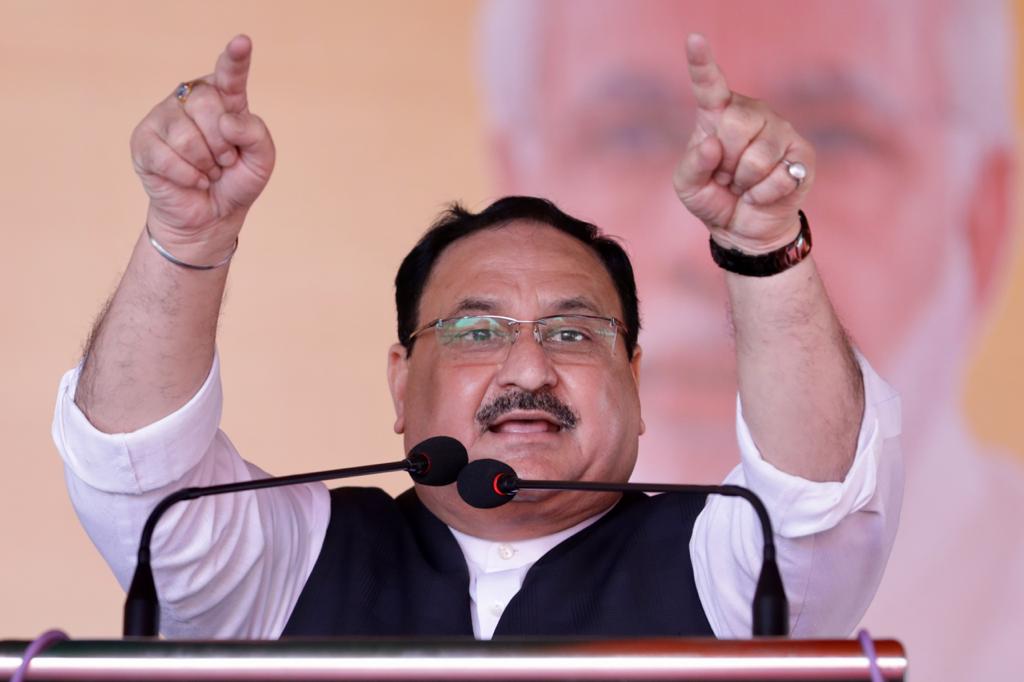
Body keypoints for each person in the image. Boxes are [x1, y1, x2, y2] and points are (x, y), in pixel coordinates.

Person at [53, 35, 900, 640]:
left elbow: (814, 499)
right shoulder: (288, 561)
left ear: (634, 383)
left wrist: (763, 246)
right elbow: (138, 475)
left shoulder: (725, 562)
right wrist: (186, 239)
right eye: (476, 330)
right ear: (401, 380)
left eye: (573, 331)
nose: (528, 367)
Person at [477, 0, 1024, 677]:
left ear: (981, 218)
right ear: (516, 203)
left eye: (832, 140)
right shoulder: (414, 606)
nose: (707, 242)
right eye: (629, 137)